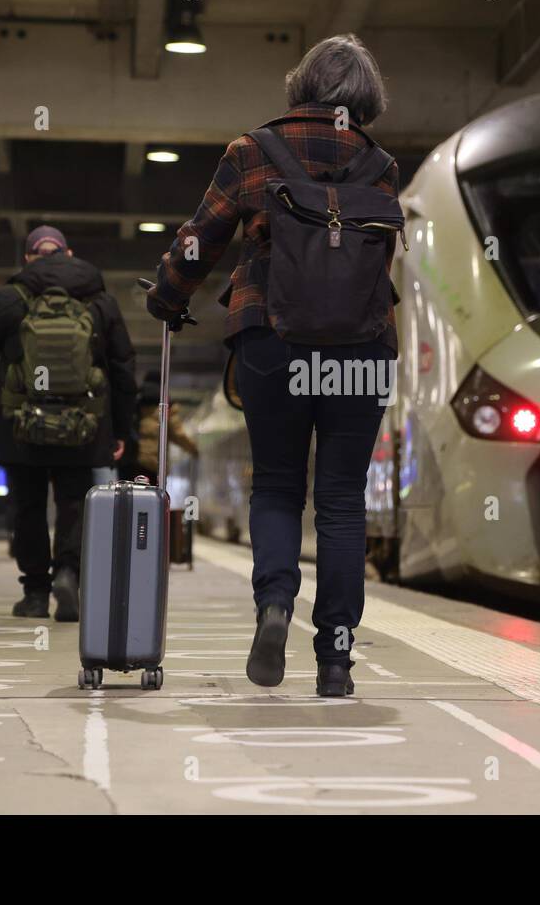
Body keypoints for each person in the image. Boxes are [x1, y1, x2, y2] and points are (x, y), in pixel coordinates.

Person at [142, 35, 400, 697]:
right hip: (362, 348)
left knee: (279, 486)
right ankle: (337, 660)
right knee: (342, 501)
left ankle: (275, 606)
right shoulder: (380, 165)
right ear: (364, 98)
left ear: (301, 85)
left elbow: (200, 238)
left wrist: (169, 297)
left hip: (273, 340)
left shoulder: (252, 151)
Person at [0, 226, 138, 622]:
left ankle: (36, 593)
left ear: (29, 258)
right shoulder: (101, 302)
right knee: (74, 504)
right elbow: (124, 369)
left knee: (27, 507)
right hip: (83, 427)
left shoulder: (12, 298)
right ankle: (69, 574)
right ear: (69, 254)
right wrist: (122, 431)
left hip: (20, 426)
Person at [125, 370, 199, 485]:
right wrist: (194, 449)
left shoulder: (136, 401)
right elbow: (178, 434)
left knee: (131, 497)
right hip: (153, 464)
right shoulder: (166, 406)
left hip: (131, 461)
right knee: (152, 498)